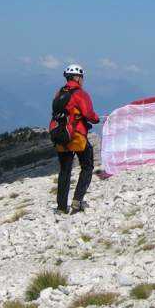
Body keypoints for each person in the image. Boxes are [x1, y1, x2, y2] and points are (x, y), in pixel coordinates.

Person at [53, 63, 100, 214]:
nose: (83, 80)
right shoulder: (80, 93)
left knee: (64, 170)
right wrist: (97, 119)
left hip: (61, 134)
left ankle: (61, 207)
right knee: (87, 165)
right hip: (77, 134)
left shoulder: (59, 92)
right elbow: (89, 114)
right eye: (82, 77)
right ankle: (77, 201)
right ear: (77, 77)